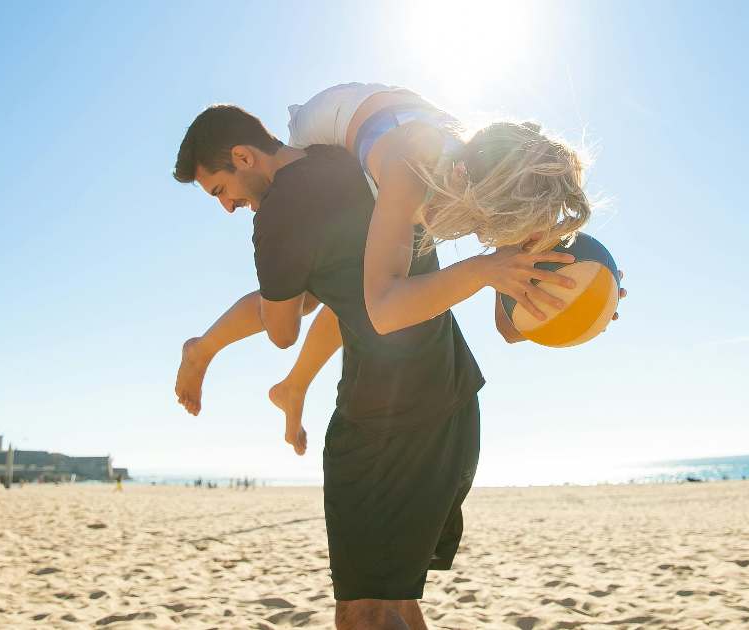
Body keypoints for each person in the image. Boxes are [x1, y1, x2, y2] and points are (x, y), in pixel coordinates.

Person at [175, 104, 494, 628]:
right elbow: (349, 297)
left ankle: (203, 349)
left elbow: (282, 329)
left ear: (243, 156)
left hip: (386, 421)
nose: (228, 207)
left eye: (219, 191)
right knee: (393, 598)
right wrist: (297, 378)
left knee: (363, 608)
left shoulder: (277, 216)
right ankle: (251, 371)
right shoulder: (347, 157)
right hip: (454, 393)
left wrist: (228, 334)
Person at [175, 83, 625, 452]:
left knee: (360, 274)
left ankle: (292, 386)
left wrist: (586, 303)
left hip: (406, 128)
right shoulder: (407, 171)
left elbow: (508, 325)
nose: (497, 242)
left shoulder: (498, 185)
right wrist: (484, 270)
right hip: (328, 123)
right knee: (319, 287)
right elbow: (384, 309)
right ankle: (206, 348)